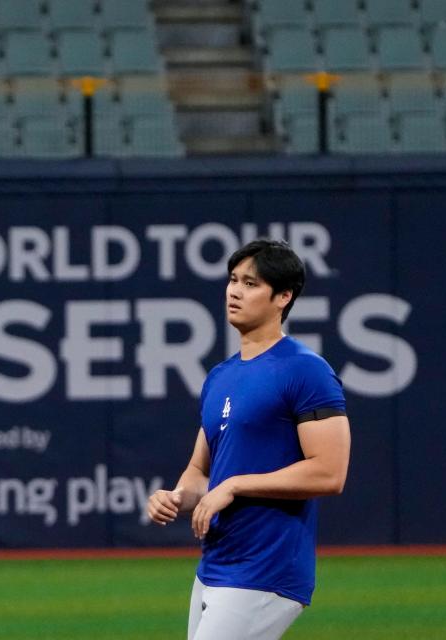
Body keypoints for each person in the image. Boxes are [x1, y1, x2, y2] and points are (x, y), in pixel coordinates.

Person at [146, 239, 351, 640]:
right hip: (215, 565)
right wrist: (175, 497)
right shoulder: (220, 376)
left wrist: (236, 486)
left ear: (283, 296)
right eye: (233, 279)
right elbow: (199, 471)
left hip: (267, 568)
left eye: (251, 283)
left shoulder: (306, 370)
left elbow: (329, 472)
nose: (235, 291)